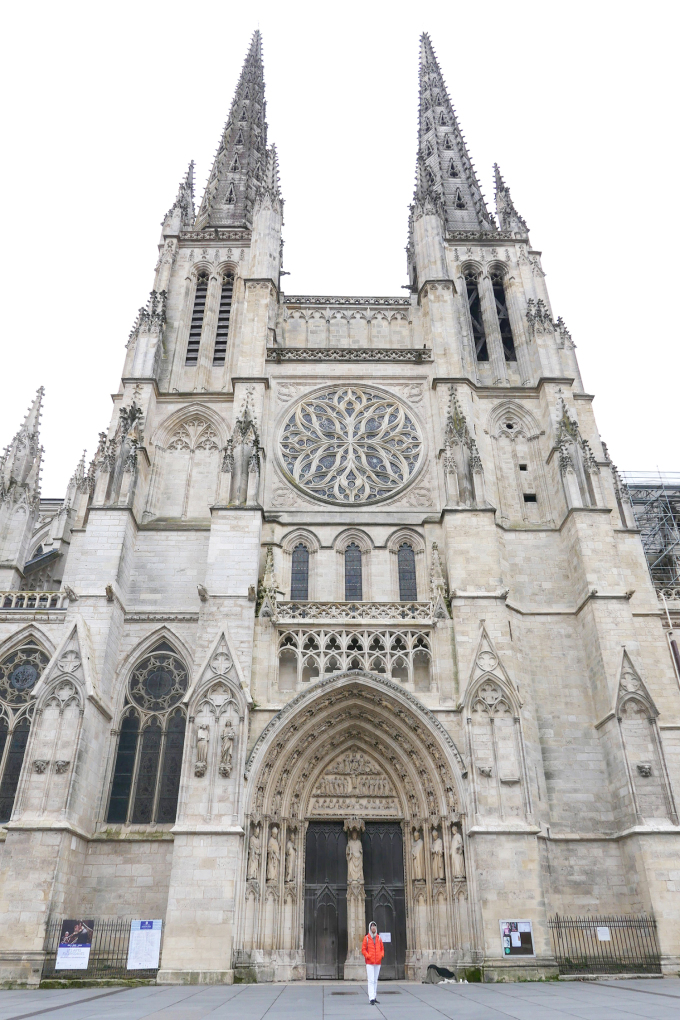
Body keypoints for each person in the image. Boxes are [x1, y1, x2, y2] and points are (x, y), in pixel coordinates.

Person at [361, 920, 384, 1005]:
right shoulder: (366, 938)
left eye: (374, 926)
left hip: (377, 962)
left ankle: (374, 996)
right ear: (370, 928)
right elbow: (363, 949)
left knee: (375, 980)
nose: (373, 928)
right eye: (372, 926)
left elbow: (382, 948)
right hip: (370, 962)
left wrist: (381, 955)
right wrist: (368, 956)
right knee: (371, 980)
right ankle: (371, 998)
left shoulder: (379, 938)